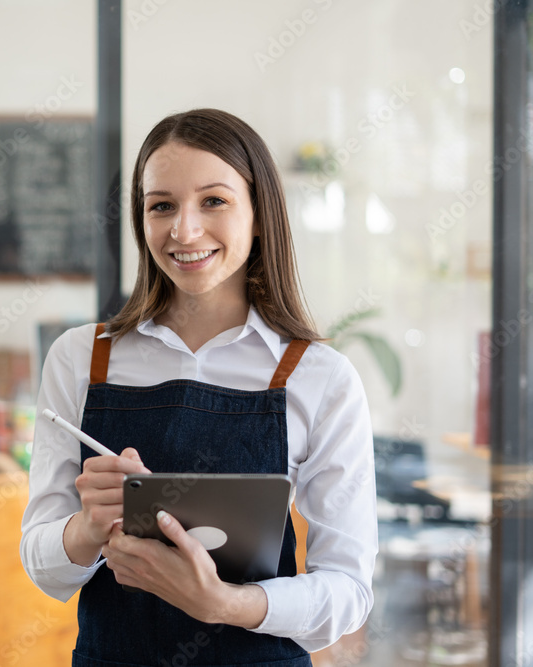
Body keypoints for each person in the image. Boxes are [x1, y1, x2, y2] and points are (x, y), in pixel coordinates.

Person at [20, 108, 377, 666]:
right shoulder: (81, 358)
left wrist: (227, 604)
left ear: (259, 215)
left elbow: (349, 591)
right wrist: (88, 529)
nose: (184, 231)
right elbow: (41, 564)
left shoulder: (318, 376)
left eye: (214, 200)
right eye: (161, 205)